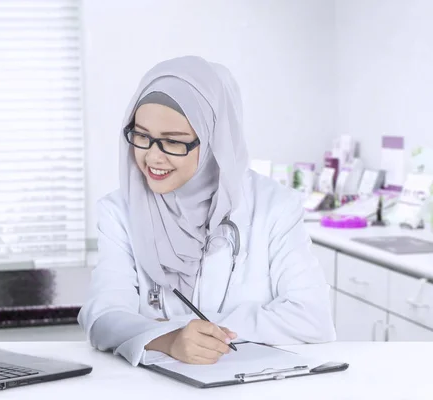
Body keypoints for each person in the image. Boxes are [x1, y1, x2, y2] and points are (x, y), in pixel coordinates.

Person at [77, 55, 336, 366]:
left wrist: (187, 331)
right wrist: (170, 341)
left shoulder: (274, 207)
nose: (152, 157)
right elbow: (102, 317)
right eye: (142, 136)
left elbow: (313, 317)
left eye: (174, 142)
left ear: (216, 141)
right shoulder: (119, 212)